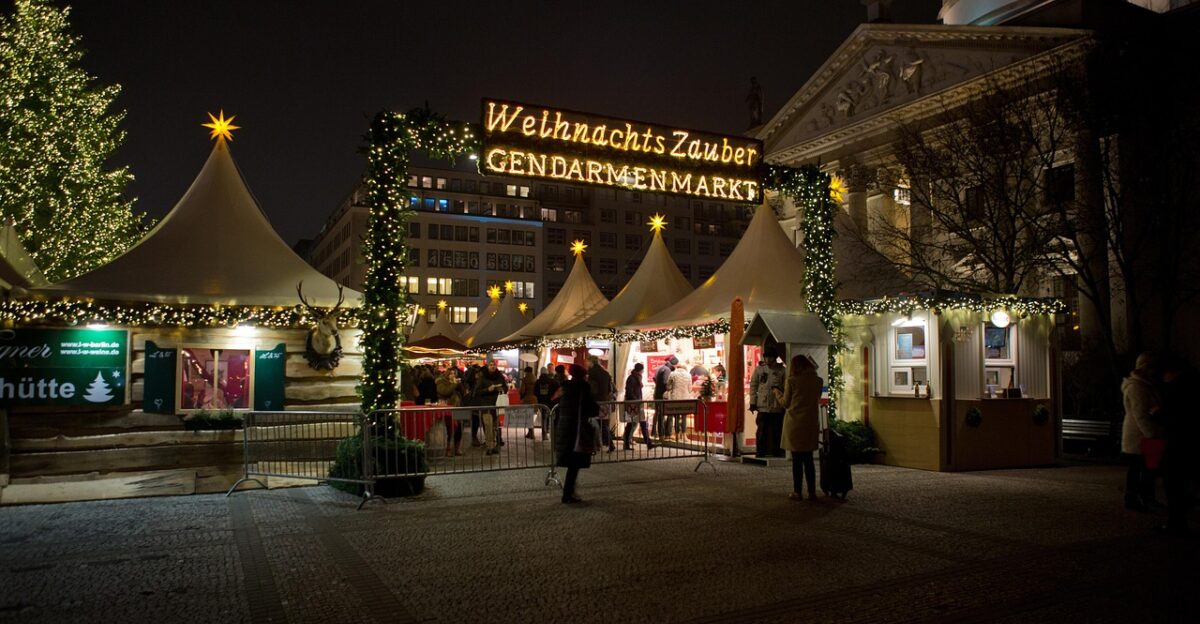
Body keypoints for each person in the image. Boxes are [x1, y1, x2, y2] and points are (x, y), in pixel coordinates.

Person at [1157, 355, 1195, 534]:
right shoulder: (1192, 384)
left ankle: (1176, 521)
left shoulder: (1176, 389)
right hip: (1188, 441)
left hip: (1177, 442)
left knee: (1174, 483)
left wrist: (1158, 414)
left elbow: (1170, 415)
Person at [777, 355, 822, 501]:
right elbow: (816, 398)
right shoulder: (817, 381)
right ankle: (812, 492)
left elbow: (785, 403)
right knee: (808, 459)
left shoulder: (792, 381)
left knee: (797, 460)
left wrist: (777, 393)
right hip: (810, 422)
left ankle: (797, 492)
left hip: (795, 423)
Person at [1121, 352, 1162, 511]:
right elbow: (1140, 415)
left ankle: (1138, 498)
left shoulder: (1142, 386)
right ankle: (1139, 498)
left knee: (1140, 469)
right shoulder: (1137, 387)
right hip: (1140, 437)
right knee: (1142, 470)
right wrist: (1152, 434)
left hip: (1140, 436)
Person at [555, 364, 597, 504]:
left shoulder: (566, 387)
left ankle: (569, 491)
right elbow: (591, 408)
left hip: (567, 428)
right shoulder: (582, 387)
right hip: (577, 429)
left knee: (573, 463)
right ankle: (568, 493)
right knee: (575, 462)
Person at [750, 347, 788, 458]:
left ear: (775, 358)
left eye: (770, 357)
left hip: (777, 405)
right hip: (763, 406)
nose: (767, 360)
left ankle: (777, 451)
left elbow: (786, 388)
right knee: (761, 431)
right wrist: (753, 402)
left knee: (777, 431)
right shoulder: (759, 370)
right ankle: (760, 451)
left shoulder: (782, 370)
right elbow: (753, 386)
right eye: (766, 357)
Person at [474, 359, 509, 456]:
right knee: (488, 425)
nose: (493, 366)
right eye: (490, 365)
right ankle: (489, 446)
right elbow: (476, 392)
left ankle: (493, 445)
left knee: (494, 427)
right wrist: (487, 389)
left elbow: (505, 387)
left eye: (494, 365)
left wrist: (502, 389)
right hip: (486, 405)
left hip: (497, 404)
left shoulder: (499, 376)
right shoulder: (482, 377)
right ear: (487, 366)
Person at [587, 356, 617, 453]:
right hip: (604, 401)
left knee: (592, 424)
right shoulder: (605, 373)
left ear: (591, 362)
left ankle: (595, 446)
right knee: (603, 424)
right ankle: (610, 444)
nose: (586, 363)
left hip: (595, 401)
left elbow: (591, 388)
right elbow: (610, 389)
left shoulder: (591, 373)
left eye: (587, 361)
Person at [622, 363, 654, 450]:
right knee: (633, 424)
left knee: (638, 423)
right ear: (641, 370)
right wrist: (635, 400)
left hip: (636, 403)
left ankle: (648, 443)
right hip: (633, 404)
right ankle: (647, 443)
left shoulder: (635, 377)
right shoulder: (632, 378)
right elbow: (629, 392)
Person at [436, 367, 465, 457]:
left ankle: (457, 448)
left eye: (454, 374)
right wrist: (454, 384)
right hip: (448, 408)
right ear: (447, 374)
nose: (453, 375)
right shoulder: (440, 382)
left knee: (459, 428)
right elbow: (445, 392)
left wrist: (459, 384)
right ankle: (447, 448)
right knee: (449, 429)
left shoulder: (454, 382)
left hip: (458, 407)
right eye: (451, 374)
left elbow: (463, 392)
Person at [666, 360, 693, 440]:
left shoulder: (672, 374)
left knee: (677, 417)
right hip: (685, 399)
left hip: (675, 398)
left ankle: (677, 435)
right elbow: (690, 388)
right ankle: (684, 435)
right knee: (684, 417)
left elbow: (668, 387)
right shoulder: (688, 375)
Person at [533, 367, 561, 440]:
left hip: (541, 402)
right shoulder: (552, 381)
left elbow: (535, 392)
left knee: (543, 418)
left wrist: (540, 397)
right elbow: (558, 387)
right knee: (550, 416)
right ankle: (549, 431)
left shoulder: (538, 382)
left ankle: (544, 434)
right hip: (550, 402)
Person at [653, 356, 677, 438]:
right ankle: (664, 434)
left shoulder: (660, 368)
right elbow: (666, 383)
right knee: (665, 414)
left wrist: (658, 386)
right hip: (663, 396)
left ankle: (657, 433)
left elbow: (654, 378)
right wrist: (670, 388)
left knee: (659, 414)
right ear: (674, 364)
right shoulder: (667, 370)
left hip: (657, 394)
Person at [520, 366, 539, 439]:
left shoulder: (525, 379)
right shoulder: (535, 378)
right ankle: (530, 433)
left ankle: (532, 434)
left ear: (526, 372)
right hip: (534, 399)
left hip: (527, 399)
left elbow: (522, 390)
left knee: (528, 417)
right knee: (531, 417)